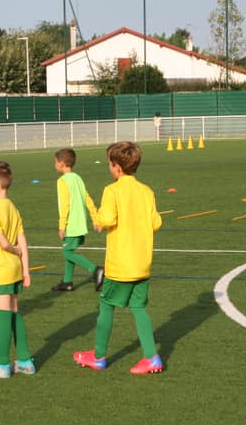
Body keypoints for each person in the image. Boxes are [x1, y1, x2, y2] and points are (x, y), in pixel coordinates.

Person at [74, 141, 164, 375]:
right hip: (142, 263)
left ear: (116, 167)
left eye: (109, 164)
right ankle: (151, 357)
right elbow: (156, 222)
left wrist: (98, 218)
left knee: (105, 305)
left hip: (120, 264)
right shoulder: (146, 191)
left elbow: (106, 219)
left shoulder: (112, 190)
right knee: (139, 309)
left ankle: (99, 356)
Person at [0, 161, 35, 378]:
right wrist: (26, 270)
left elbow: (4, 243)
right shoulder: (12, 207)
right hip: (14, 270)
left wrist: (15, 251)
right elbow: (23, 240)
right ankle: (25, 361)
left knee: (2, 318)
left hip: (0, 270)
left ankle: (2, 365)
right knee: (14, 314)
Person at [51, 148, 104, 292]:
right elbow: (88, 198)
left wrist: (62, 225)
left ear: (62, 164)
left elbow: (65, 204)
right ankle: (67, 282)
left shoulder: (62, 181)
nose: (54, 165)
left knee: (67, 253)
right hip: (80, 222)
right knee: (69, 250)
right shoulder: (77, 178)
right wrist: (95, 218)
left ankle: (95, 270)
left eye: (55, 162)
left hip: (71, 224)